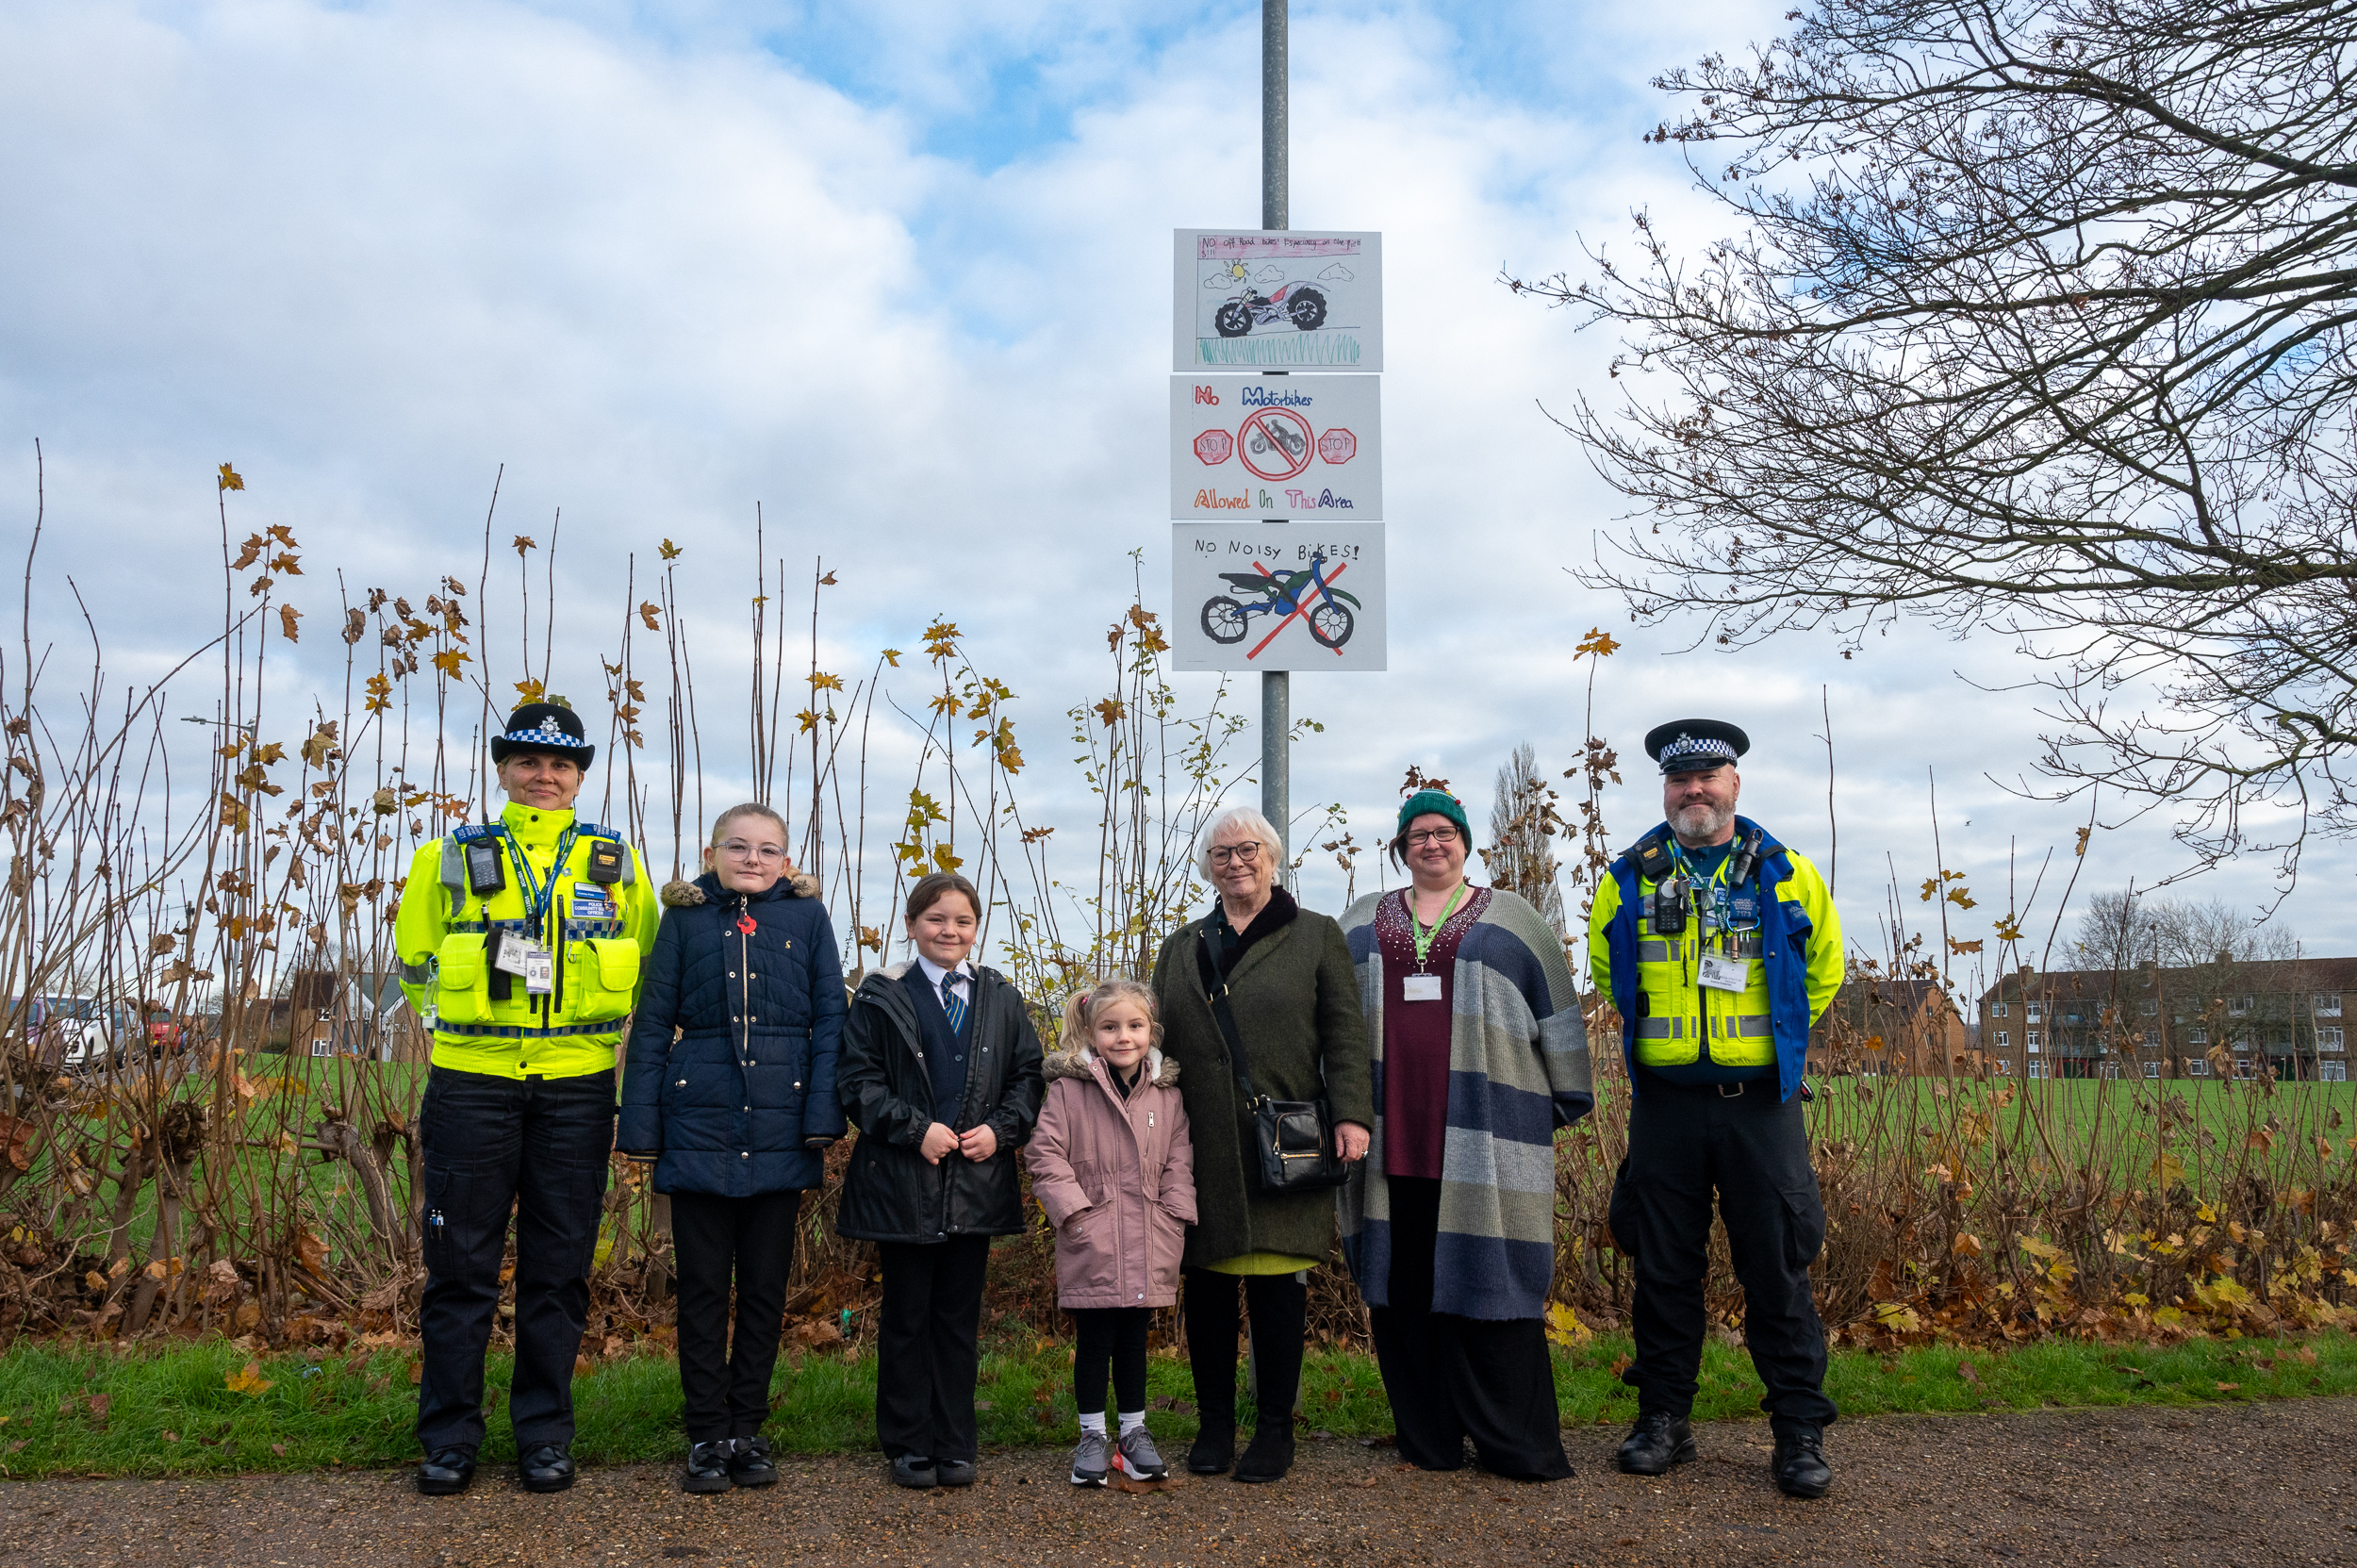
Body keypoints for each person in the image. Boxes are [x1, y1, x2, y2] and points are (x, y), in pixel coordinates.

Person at [394, 701, 659, 1496]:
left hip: (577, 1087)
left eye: (561, 765)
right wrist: (469, 1028)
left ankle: (543, 1435)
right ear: (503, 768)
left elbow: (644, 956)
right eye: (528, 763)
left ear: (580, 776)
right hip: (473, 1084)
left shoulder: (616, 860)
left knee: (560, 1268)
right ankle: (449, 1438)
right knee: (460, 1270)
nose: (544, 777)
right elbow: (414, 961)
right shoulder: (450, 854)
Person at [1590, 719, 1845, 1499]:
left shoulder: (1785, 871)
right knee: (1663, 1271)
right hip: (1665, 1106)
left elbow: (1824, 969)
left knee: (1777, 1270)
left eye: (1708, 776)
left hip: (1759, 1107)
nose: (1693, 790)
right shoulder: (1629, 876)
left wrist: (1780, 1048)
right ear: (1665, 790)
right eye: (1679, 780)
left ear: (1735, 783)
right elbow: (1608, 970)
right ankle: (1665, 1419)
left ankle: (1798, 1429)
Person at [1337, 788, 1595, 1480]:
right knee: (1406, 1288)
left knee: (1491, 1286)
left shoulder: (1515, 918)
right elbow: (1330, 1017)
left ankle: (1519, 1445)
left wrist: (1559, 1098)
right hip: (1393, 1144)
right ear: (1400, 846)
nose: (1432, 843)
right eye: (1417, 834)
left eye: (1444, 832)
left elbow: (1559, 1011)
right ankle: (1431, 1439)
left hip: (1486, 1137)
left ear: (1465, 841)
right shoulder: (1361, 919)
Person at [617, 802, 846, 1494]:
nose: (752, 858)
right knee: (705, 1290)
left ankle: (748, 1425)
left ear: (787, 858)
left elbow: (832, 1015)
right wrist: (643, 1130)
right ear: (712, 851)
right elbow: (654, 1023)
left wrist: (821, 1112)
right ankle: (705, 1433)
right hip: (700, 1125)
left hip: (781, 1125)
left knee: (767, 1290)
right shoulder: (686, 921)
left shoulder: (807, 919)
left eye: (767, 848)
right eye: (738, 846)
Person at [1149, 805, 1373, 1484]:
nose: (1236, 862)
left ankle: (1275, 1428)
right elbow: (1153, 1041)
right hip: (1201, 1140)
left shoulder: (1316, 936)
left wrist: (1353, 1115)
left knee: (1280, 1291)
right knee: (1210, 1287)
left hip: (1289, 1137)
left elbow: (1345, 1034)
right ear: (1208, 868)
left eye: (1248, 849)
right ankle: (1214, 1424)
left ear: (1274, 858)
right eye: (1221, 854)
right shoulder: (1182, 945)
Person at [835, 871, 1046, 1490]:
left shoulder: (1002, 997)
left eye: (962, 921)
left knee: (957, 1317)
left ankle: (955, 1441)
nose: (949, 930)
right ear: (911, 925)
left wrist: (1002, 1130)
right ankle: (907, 1441)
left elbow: (1029, 1076)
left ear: (976, 929)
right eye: (935, 919)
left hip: (975, 1186)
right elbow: (857, 1082)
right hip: (903, 1183)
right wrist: (912, 1127)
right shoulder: (879, 995)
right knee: (906, 1317)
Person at [1025, 978, 1197, 1488]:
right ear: (1091, 1031)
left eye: (1135, 1026)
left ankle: (1134, 1433)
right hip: (1092, 1236)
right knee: (1095, 1341)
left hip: (1149, 1235)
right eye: (1110, 1027)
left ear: (1152, 1031)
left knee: (1134, 1342)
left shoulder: (1166, 1095)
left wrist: (1173, 1214)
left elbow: (1179, 1160)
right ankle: (1092, 1436)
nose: (1124, 1037)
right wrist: (1075, 1214)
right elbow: (1045, 1155)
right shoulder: (1068, 1090)